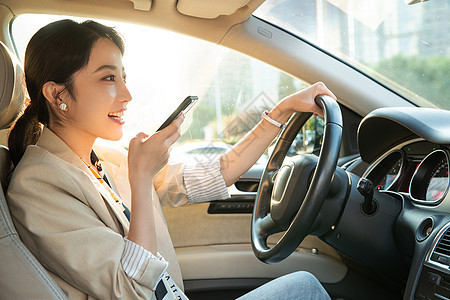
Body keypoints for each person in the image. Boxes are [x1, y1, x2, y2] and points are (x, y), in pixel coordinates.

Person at [6, 19, 334, 299]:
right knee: (305, 288)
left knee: (303, 284)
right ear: (57, 94)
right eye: (108, 78)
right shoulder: (37, 185)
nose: (127, 94)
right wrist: (141, 175)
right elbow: (132, 289)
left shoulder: (105, 158)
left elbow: (218, 173)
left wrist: (282, 110)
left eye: (123, 76)